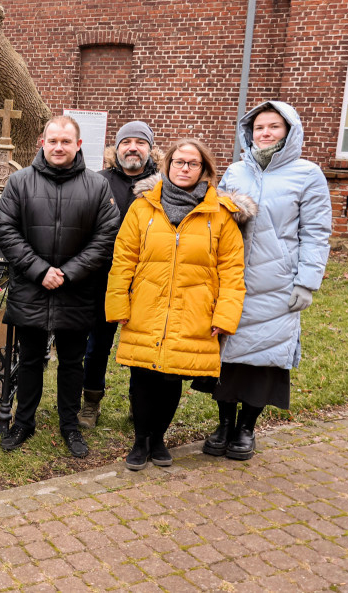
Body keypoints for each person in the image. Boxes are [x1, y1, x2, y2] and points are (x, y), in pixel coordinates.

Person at [106, 138, 252, 471]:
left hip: (193, 311)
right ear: (167, 165)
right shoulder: (143, 208)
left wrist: (225, 316)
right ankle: (140, 440)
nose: (184, 168)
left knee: (172, 378)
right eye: (178, 162)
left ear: (205, 170)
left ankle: (158, 438)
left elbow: (232, 271)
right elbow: (123, 259)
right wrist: (118, 306)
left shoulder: (221, 214)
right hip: (146, 305)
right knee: (142, 376)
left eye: (192, 163)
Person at [203, 101, 332, 460]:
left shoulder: (307, 175)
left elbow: (317, 232)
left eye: (274, 127)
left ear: (289, 131)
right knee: (228, 356)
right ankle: (224, 423)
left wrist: (306, 282)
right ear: (250, 132)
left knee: (264, 358)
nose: (265, 133)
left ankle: (246, 429)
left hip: (277, 282)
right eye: (259, 127)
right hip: (232, 279)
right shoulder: (235, 172)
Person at [0, 116, 119, 457]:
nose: (59, 147)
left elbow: (106, 236)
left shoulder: (97, 186)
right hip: (32, 288)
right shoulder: (20, 182)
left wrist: (68, 272)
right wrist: (39, 270)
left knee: (72, 363)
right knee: (30, 359)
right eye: (53, 141)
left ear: (78, 145)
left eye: (66, 141)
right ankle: (24, 422)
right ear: (42, 143)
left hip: (76, 291)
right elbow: (4, 229)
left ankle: (70, 425)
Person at [78, 121, 160, 428]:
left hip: (147, 280)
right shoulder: (98, 181)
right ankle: (90, 403)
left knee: (141, 346)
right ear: (117, 147)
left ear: (150, 149)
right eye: (127, 142)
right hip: (103, 278)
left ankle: (140, 405)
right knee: (96, 345)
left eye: (140, 142)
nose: (133, 148)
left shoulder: (162, 185)